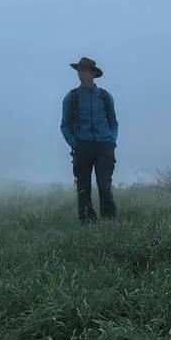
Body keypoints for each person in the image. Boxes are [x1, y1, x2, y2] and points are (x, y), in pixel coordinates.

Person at [60, 57, 119, 223]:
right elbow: (65, 125)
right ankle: (87, 223)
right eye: (79, 70)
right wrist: (75, 144)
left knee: (104, 185)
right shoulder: (72, 97)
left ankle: (109, 223)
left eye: (85, 70)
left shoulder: (105, 97)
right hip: (82, 147)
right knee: (83, 188)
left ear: (93, 73)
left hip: (104, 147)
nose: (81, 73)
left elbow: (113, 123)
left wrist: (111, 141)